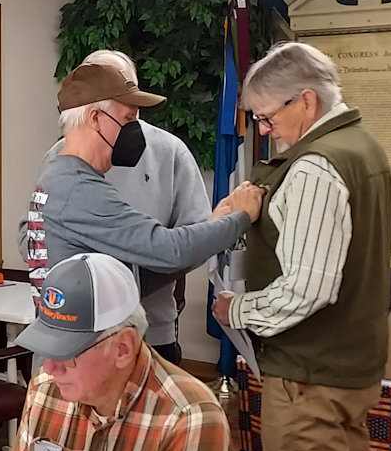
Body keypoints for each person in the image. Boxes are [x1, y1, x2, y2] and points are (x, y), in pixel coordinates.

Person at [212, 41, 391, 451]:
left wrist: (236, 310)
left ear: (307, 101)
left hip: (309, 382)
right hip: (351, 371)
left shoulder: (314, 167)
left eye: (266, 116)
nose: (262, 129)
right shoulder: (364, 148)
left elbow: (308, 288)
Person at [25, 60, 263, 326]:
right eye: (128, 119)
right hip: (81, 360)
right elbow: (169, 250)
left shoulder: (59, 176)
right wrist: (241, 217)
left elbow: (130, 280)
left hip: (78, 351)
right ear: (95, 118)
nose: (136, 130)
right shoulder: (78, 190)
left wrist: (212, 229)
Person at [19, 50, 212, 364]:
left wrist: (134, 281)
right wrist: (81, 276)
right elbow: (31, 231)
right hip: (76, 332)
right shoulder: (60, 155)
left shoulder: (169, 150)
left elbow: (196, 236)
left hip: (152, 329)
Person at [12, 252, 231, 451]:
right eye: (47, 348)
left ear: (123, 348)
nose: (49, 368)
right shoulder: (44, 388)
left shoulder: (188, 419)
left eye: (68, 353)